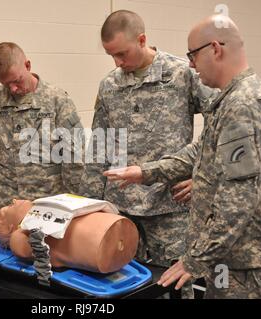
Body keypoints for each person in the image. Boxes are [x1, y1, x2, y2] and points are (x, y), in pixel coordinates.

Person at [104, 15, 261, 299]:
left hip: (249, 261)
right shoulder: (229, 100)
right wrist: (145, 172)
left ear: (215, 49)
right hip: (232, 256)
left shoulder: (244, 106)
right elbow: (200, 151)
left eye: (193, 55)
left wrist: (194, 260)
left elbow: (238, 201)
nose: (191, 65)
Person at [78, 10, 214, 297]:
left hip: (170, 207)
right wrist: (88, 207)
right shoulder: (110, 84)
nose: (118, 63)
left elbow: (221, 128)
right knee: (123, 286)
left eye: (122, 54)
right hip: (123, 208)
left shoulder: (181, 74)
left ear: (142, 40)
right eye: (111, 56)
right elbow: (99, 146)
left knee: (176, 286)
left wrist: (203, 177)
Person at [0, 42, 84, 217]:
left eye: (16, 81)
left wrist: (75, 199)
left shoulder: (57, 100)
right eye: (6, 84)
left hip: (48, 201)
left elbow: (74, 153)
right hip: (7, 201)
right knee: (9, 245)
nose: (13, 88)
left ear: (28, 65)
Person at [0, 199, 139, 274]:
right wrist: (19, 234)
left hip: (117, 230)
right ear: (11, 227)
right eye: (9, 208)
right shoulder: (19, 238)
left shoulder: (44, 206)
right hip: (100, 247)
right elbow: (26, 249)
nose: (14, 201)